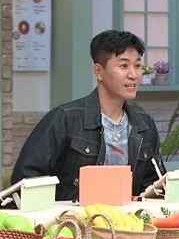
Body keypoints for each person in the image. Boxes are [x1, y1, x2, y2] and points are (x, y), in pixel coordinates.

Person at [11, 30, 163, 201]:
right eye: (123, 66)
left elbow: (154, 188)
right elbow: (26, 178)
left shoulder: (144, 125)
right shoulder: (65, 119)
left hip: (126, 218)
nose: (133, 75)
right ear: (98, 71)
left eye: (137, 66)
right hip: (71, 217)